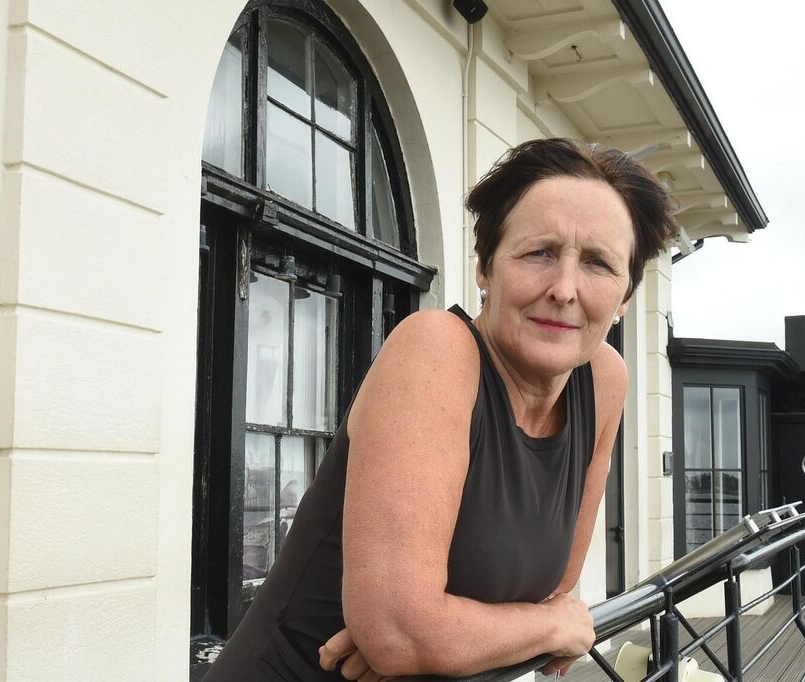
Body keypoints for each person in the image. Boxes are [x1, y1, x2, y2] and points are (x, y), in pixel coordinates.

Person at [203, 138, 678, 681]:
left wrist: (433, 639)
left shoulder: (602, 380)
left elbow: (553, 588)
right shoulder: (437, 350)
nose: (565, 289)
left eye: (597, 263)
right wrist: (539, 630)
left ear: (623, 298)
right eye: (539, 253)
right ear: (485, 267)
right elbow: (411, 631)